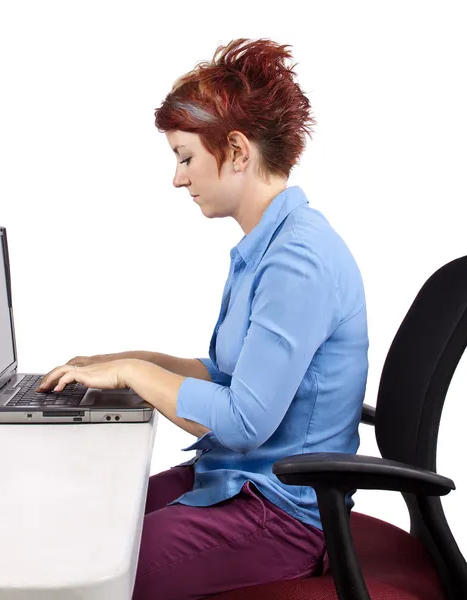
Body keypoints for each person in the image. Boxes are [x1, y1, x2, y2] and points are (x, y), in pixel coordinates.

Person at [38, 38, 369, 599]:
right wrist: (126, 361)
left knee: (94, 577)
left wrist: (134, 376)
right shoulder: (267, 246)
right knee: (82, 529)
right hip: (236, 482)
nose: (178, 178)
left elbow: (242, 421)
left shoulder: (298, 261)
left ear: (237, 151)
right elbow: (225, 374)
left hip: (279, 515)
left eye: (185, 157)